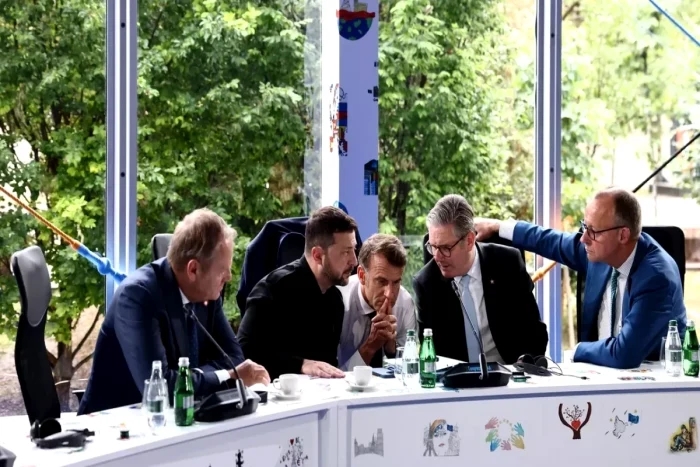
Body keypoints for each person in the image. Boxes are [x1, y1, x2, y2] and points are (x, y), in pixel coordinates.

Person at [78, 209, 270, 415]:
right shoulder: (137, 296)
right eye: (223, 270)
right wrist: (227, 375)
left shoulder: (208, 296)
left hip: (178, 419)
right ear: (193, 269)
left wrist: (191, 376)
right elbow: (161, 388)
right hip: (115, 423)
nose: (229, 277)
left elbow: (234, 358)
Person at [475, 187, 686, 369]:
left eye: (592, 231)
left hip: (652, 385)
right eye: (585, 226)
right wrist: (499, 226)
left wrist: (577, 351)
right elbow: (551, 241)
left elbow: (624, 354)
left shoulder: (657, 278)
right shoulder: (601, 251)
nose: (584, 238)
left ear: (623, 235)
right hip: (597, 373)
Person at [413, 194, 547, 365]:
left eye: (446, 248)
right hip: (456, 377)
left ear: (469, 240)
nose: (437, 257)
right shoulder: (426, 284)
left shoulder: (507, 263)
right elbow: (431, 354)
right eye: (433, 247)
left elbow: (535, 334)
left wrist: (521, 368)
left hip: (510, 372)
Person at [237, 206, 357, 379]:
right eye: (346, 252)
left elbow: (328, 366)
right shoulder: (272, 290)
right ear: (317, 255)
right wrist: (300, 364)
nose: (354, 260)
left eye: (354, 249)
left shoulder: (335, 299)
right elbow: (244, 354)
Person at [337, 234, 416, 370]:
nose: (389, 294)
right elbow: (330, 375)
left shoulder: (405, 303)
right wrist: (370, 346)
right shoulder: (338, 302)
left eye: (396, 282)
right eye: (381, 281)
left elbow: (410, 371)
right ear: (362, 275)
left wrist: (391, 347)